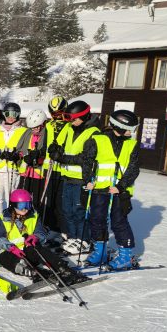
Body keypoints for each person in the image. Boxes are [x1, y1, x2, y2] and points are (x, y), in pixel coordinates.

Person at [80, 110, 140, 270]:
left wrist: (121, 186)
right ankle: (100, 252)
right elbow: (87, 161)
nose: (131, 132)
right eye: (129, 128)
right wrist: (87, 180)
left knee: (119, 222)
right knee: (97, 220)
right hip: (99, 189)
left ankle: (125, 255)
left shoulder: (131, 144)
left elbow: (133, 169)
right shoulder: (97, 140)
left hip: (119, 192)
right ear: (119, 126)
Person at [0, 189, 89, 285]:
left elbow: (40, 232)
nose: (25, 209)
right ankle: (35, 273)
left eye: (28, 205)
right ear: (13, 205)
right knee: (3, 258)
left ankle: (65, 270)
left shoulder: (33, 215)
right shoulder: (5, 218)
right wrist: (10, 247)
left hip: (28, 250)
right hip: (12, 252)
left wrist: (35, 237)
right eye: (21, 205)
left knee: (39, 249)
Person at [48, 101, 100, 254]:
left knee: (79, 211)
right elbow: (63, 146)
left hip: (82, 179)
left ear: (84, 116)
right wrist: (55, 149)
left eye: (75, 119)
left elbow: (86, 158)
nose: (72, 122)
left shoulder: (94, 132)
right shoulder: (71, 128)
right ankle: (72, 238)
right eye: (70, 119)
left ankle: (83, 240)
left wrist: (62, 158)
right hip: (67, 177)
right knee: (66, 211)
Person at [0, 103, 28, 228]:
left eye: (14, 114)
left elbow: (24, 149)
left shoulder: (23, 130)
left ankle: (12, 218)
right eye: (8, 114)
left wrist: (17, 155)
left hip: (12, 168)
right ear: (4, 114)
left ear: (18, 115)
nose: (11, 117)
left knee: (11, 195)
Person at [42, 96, 70, 238]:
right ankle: (48, 226)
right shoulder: (48, 125)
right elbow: (44, 143)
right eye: (54, 114)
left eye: (59, 113)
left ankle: (60, 230)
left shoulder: (70, 126)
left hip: (62, 168)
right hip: (48, 168)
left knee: (61, 202)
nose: (57, 117)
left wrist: (61, 151)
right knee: (49, 200)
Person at [17, 109, 48, 209]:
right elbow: (20, 149)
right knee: (23, 197)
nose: (33, 130)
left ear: (42, 124)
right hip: (26, 172)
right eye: (31, 128)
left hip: (38, 174)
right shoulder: (27, 133)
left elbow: (46, 153)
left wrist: (38, 157)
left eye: (35, 127)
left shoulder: (46, 135)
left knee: (36, 200)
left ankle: (36, 218)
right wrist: (18, 157)